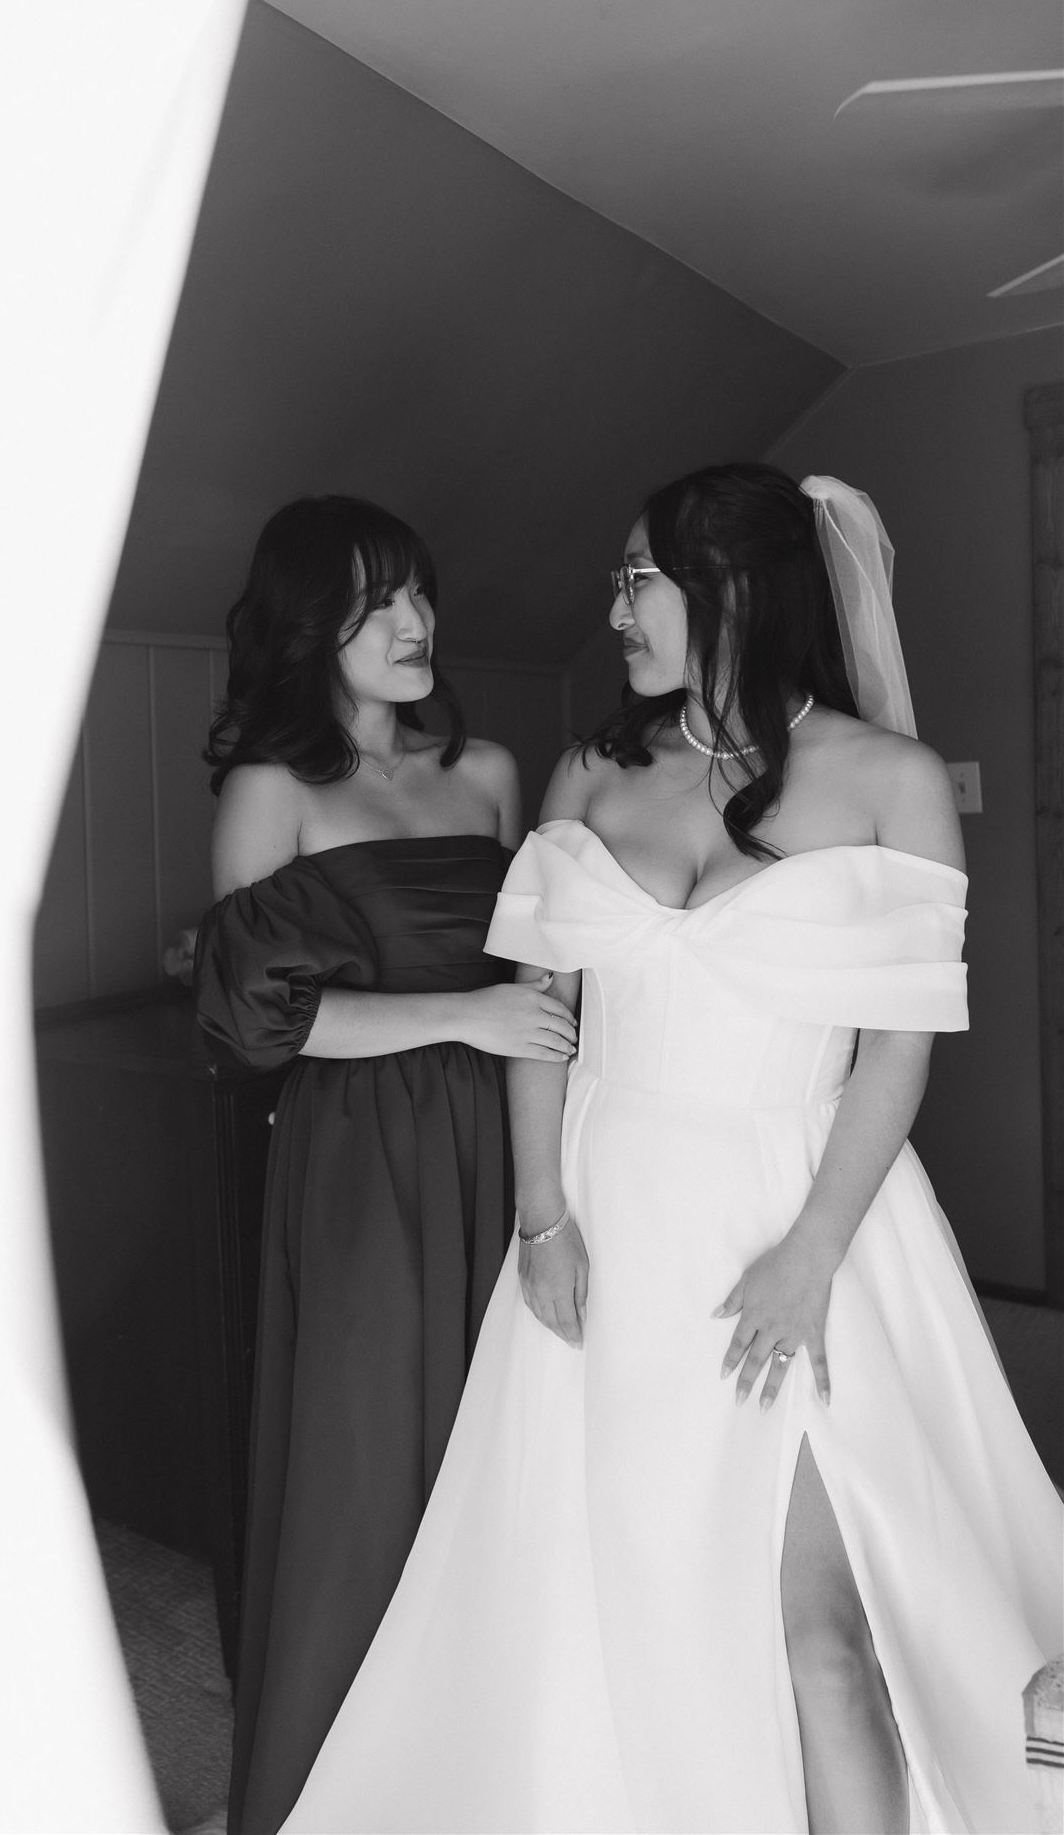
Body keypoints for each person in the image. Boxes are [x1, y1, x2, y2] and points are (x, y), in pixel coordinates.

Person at [282, 464, 1064, 1835]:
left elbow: (897, 1046)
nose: (614, 606)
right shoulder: (595, 765)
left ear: (734, 589)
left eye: (635, 577)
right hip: (608, 1211)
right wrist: (539, 1217)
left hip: (803, 1219)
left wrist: (809, 1254)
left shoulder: (884, 780)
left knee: (828, 1631)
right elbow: (546, 1009)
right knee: (612, 1588)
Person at [194, 494, 579, 1835]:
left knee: (510, 1435)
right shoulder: (272, 789)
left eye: (417, 593)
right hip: (358, 1155)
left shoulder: (485, 768)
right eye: (375, 606)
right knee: (367, 1453)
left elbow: (536, 962)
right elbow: (250, 1025)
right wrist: (462, 1017)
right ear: (312, 628)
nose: (414, 624)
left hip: (507, 1135)